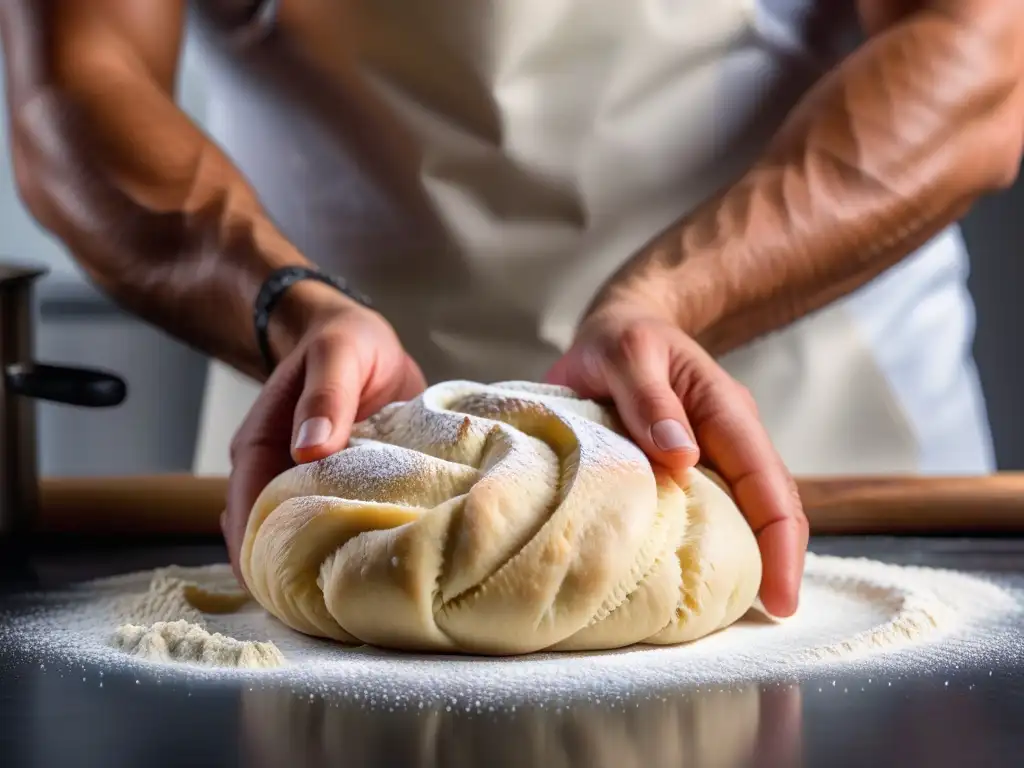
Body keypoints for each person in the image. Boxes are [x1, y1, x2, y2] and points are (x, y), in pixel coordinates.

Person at [2, 0, 1021, 619]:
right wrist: (285, 305)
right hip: (336, 441)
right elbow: (76, 82)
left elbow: (977, 52)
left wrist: (676, 295)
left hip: (808, 427)